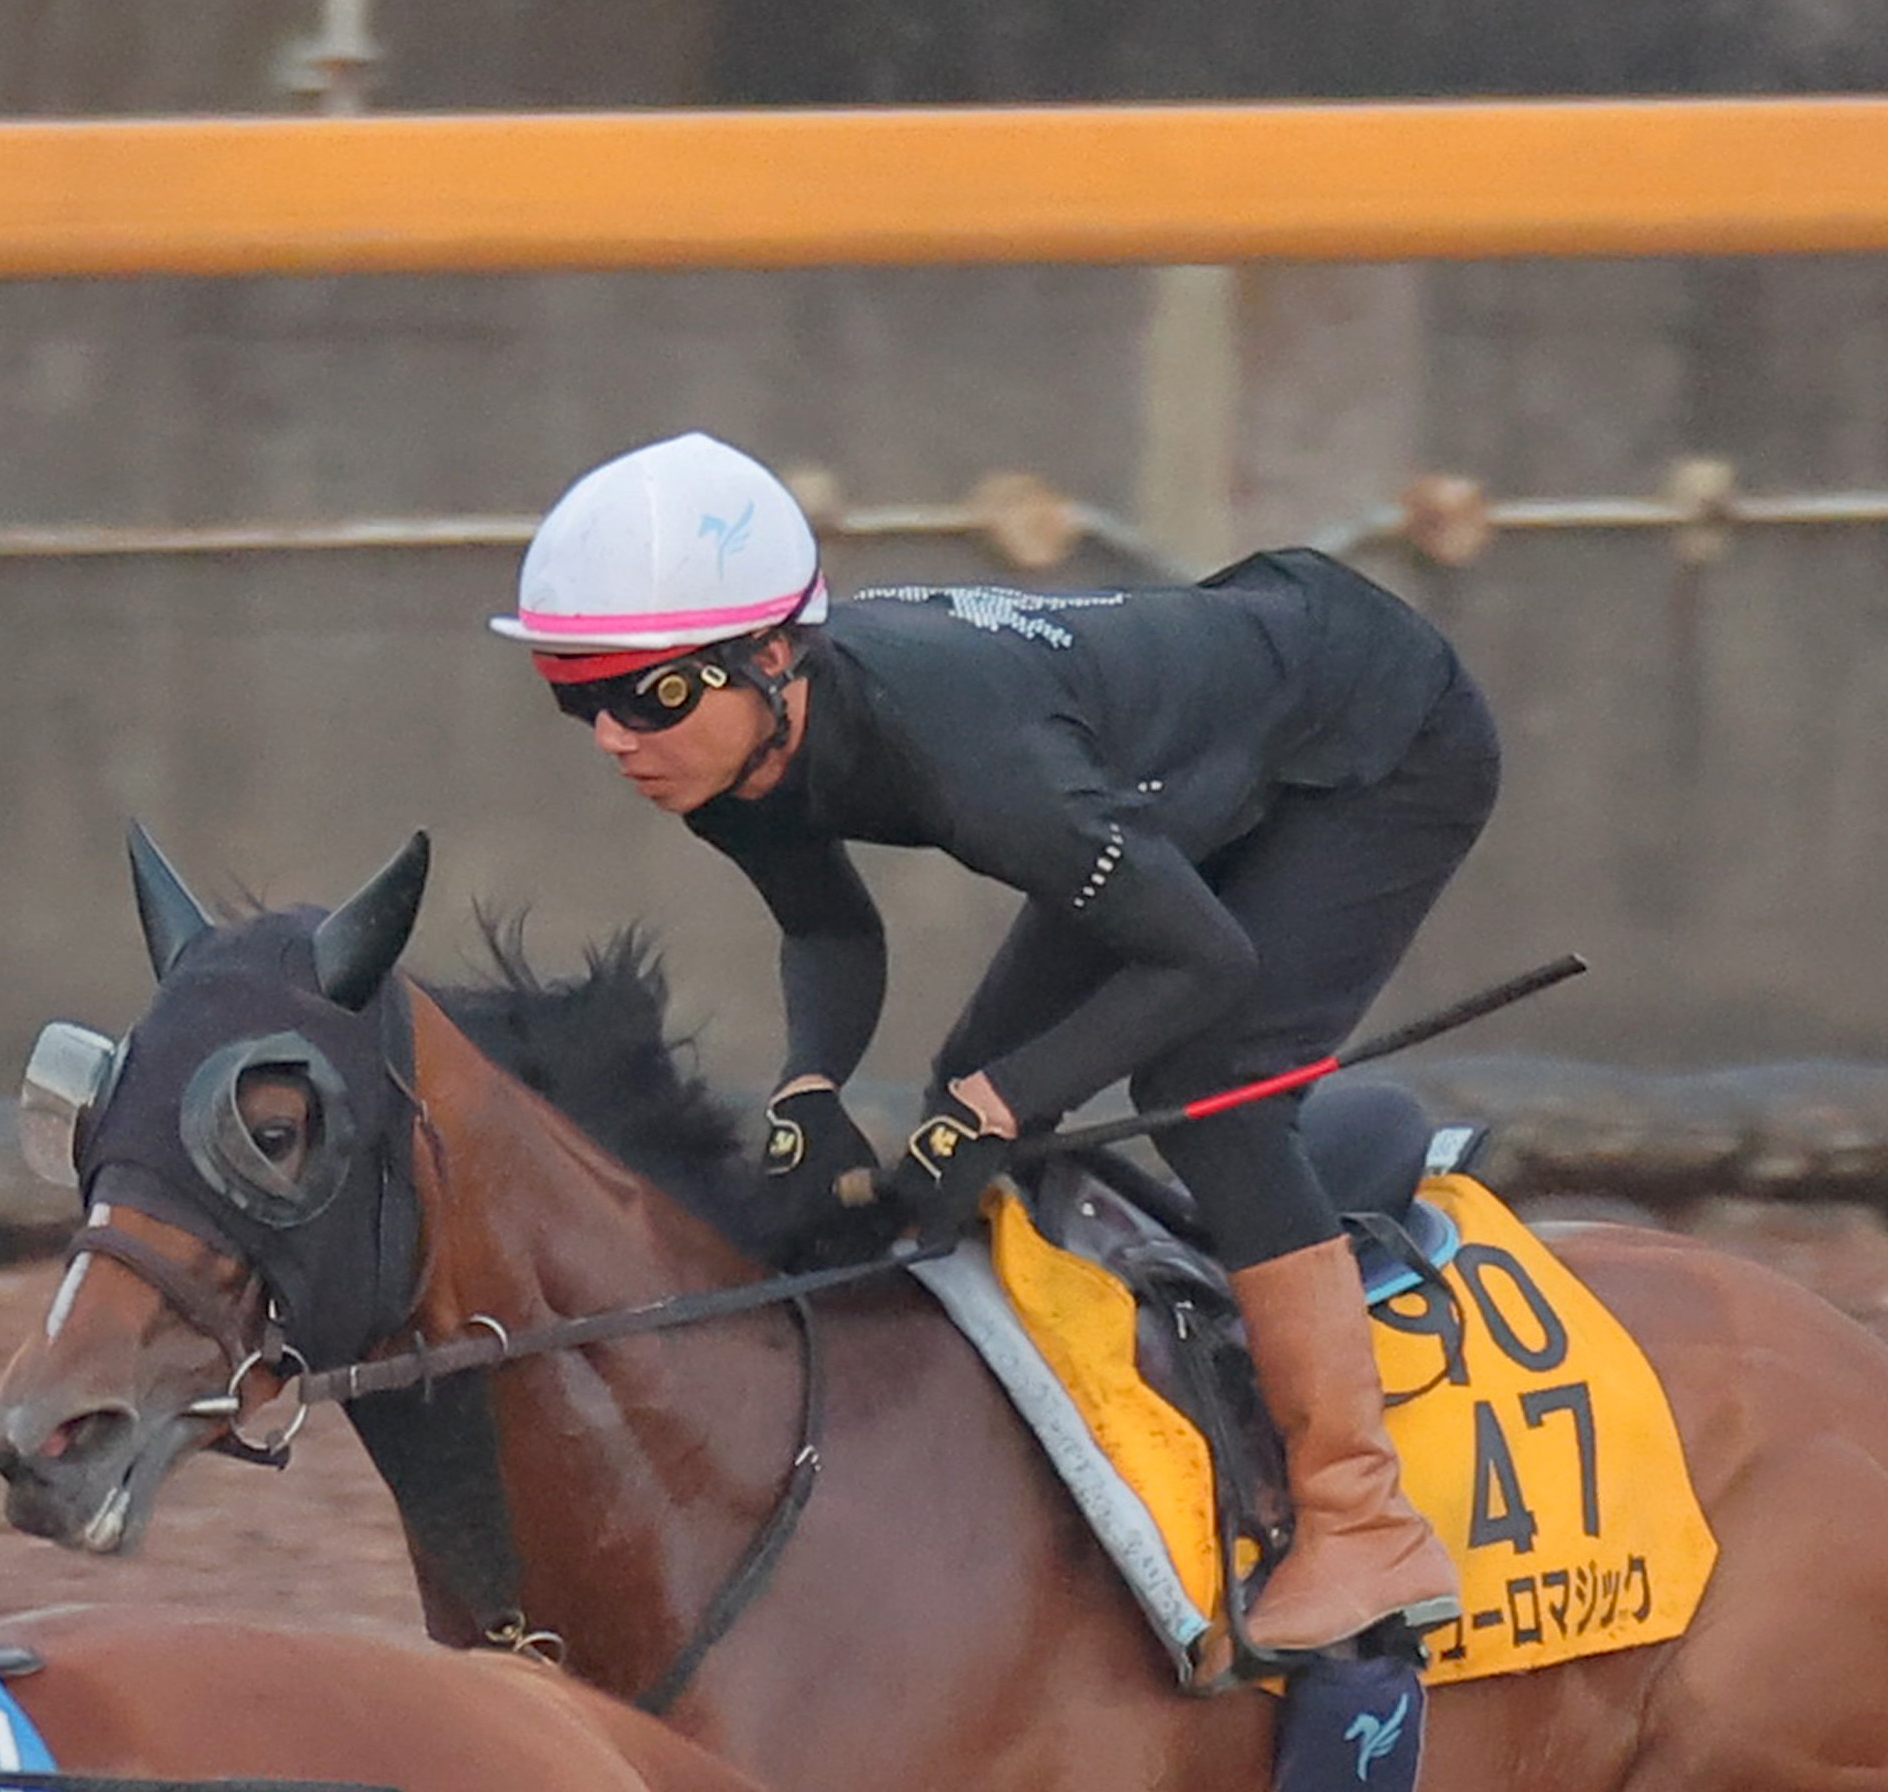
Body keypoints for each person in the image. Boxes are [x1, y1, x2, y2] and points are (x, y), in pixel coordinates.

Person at [498, 431, 1497, 1662]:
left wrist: (1004, 1100)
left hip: (1374, 740)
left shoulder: (973, 762)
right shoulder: (745, 746)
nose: (614, 740)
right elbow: (825, 925)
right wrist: (811, 1087)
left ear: (770, 657)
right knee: (965, 1100)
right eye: (576, 697)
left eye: (646, 697)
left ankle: (1362, 1520)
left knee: (1210, 1088)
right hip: (1192, 748)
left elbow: (1206, 962)